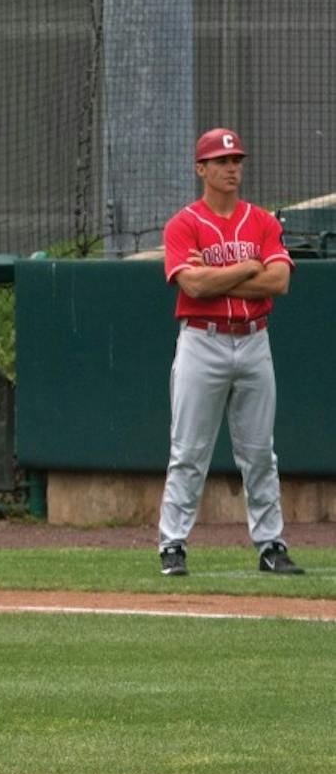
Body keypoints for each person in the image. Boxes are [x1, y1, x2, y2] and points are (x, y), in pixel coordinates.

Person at [157, 127, 301, 577]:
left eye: (236, 160)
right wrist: (247, 267)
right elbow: (192, 285)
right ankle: (172, 544)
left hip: (255, 340)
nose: (232, 168)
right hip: (203, 341)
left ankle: (271, 545)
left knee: (259, 453)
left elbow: (279, 281)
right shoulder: (183, 224)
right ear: (201, 168)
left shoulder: (262, 221)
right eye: (221, 161)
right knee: (188, 451)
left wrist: (219, 275)